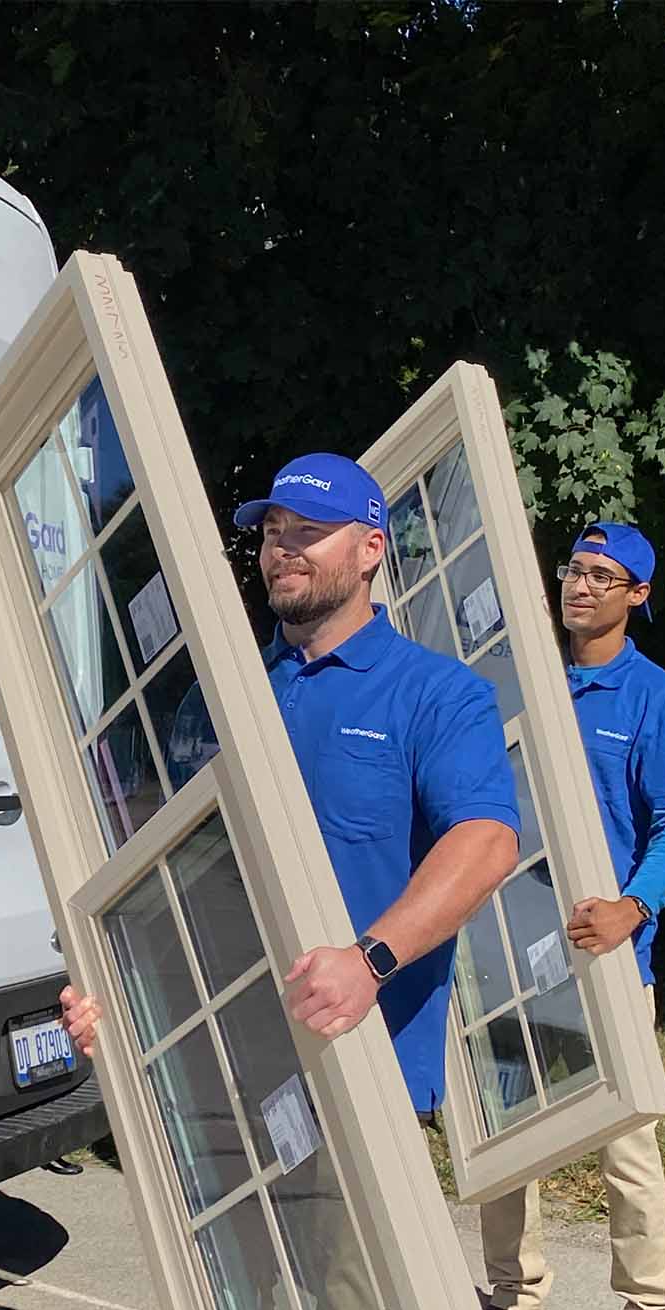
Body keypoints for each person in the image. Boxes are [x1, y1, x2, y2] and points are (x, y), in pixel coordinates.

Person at [60, 448, 518, 1121]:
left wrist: (367, 963)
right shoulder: (221, 695)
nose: (283, 549)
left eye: (310, 530)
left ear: (369, 550)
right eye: (275, 529)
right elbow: (173, 863)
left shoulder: (438, 695)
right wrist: (118, 992)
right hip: (214, 1061)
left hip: (359, 1065)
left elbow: (487, 843)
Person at [480, 523, 665, 1310]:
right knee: (506, 1135)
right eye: (573, 569)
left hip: (608, 953)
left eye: (602, 575)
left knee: (628, 1144)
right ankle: (518, 1300)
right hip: (511, 954)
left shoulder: (658, 698)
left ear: (636, 595)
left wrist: (633, 908)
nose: (579, 585)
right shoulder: (520, 684)